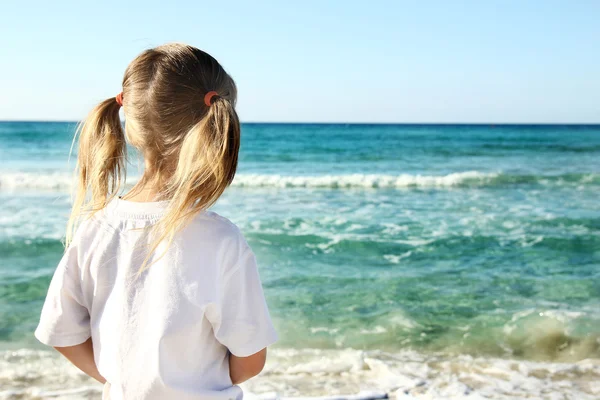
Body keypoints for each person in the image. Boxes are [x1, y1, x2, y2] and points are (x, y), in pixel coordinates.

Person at [34, 43, 278, 400]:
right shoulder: (221, 239)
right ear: (215, 125)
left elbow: (61, 333)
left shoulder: (95, 229)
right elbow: (251, 360)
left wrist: (120, 381)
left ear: (130, 124)